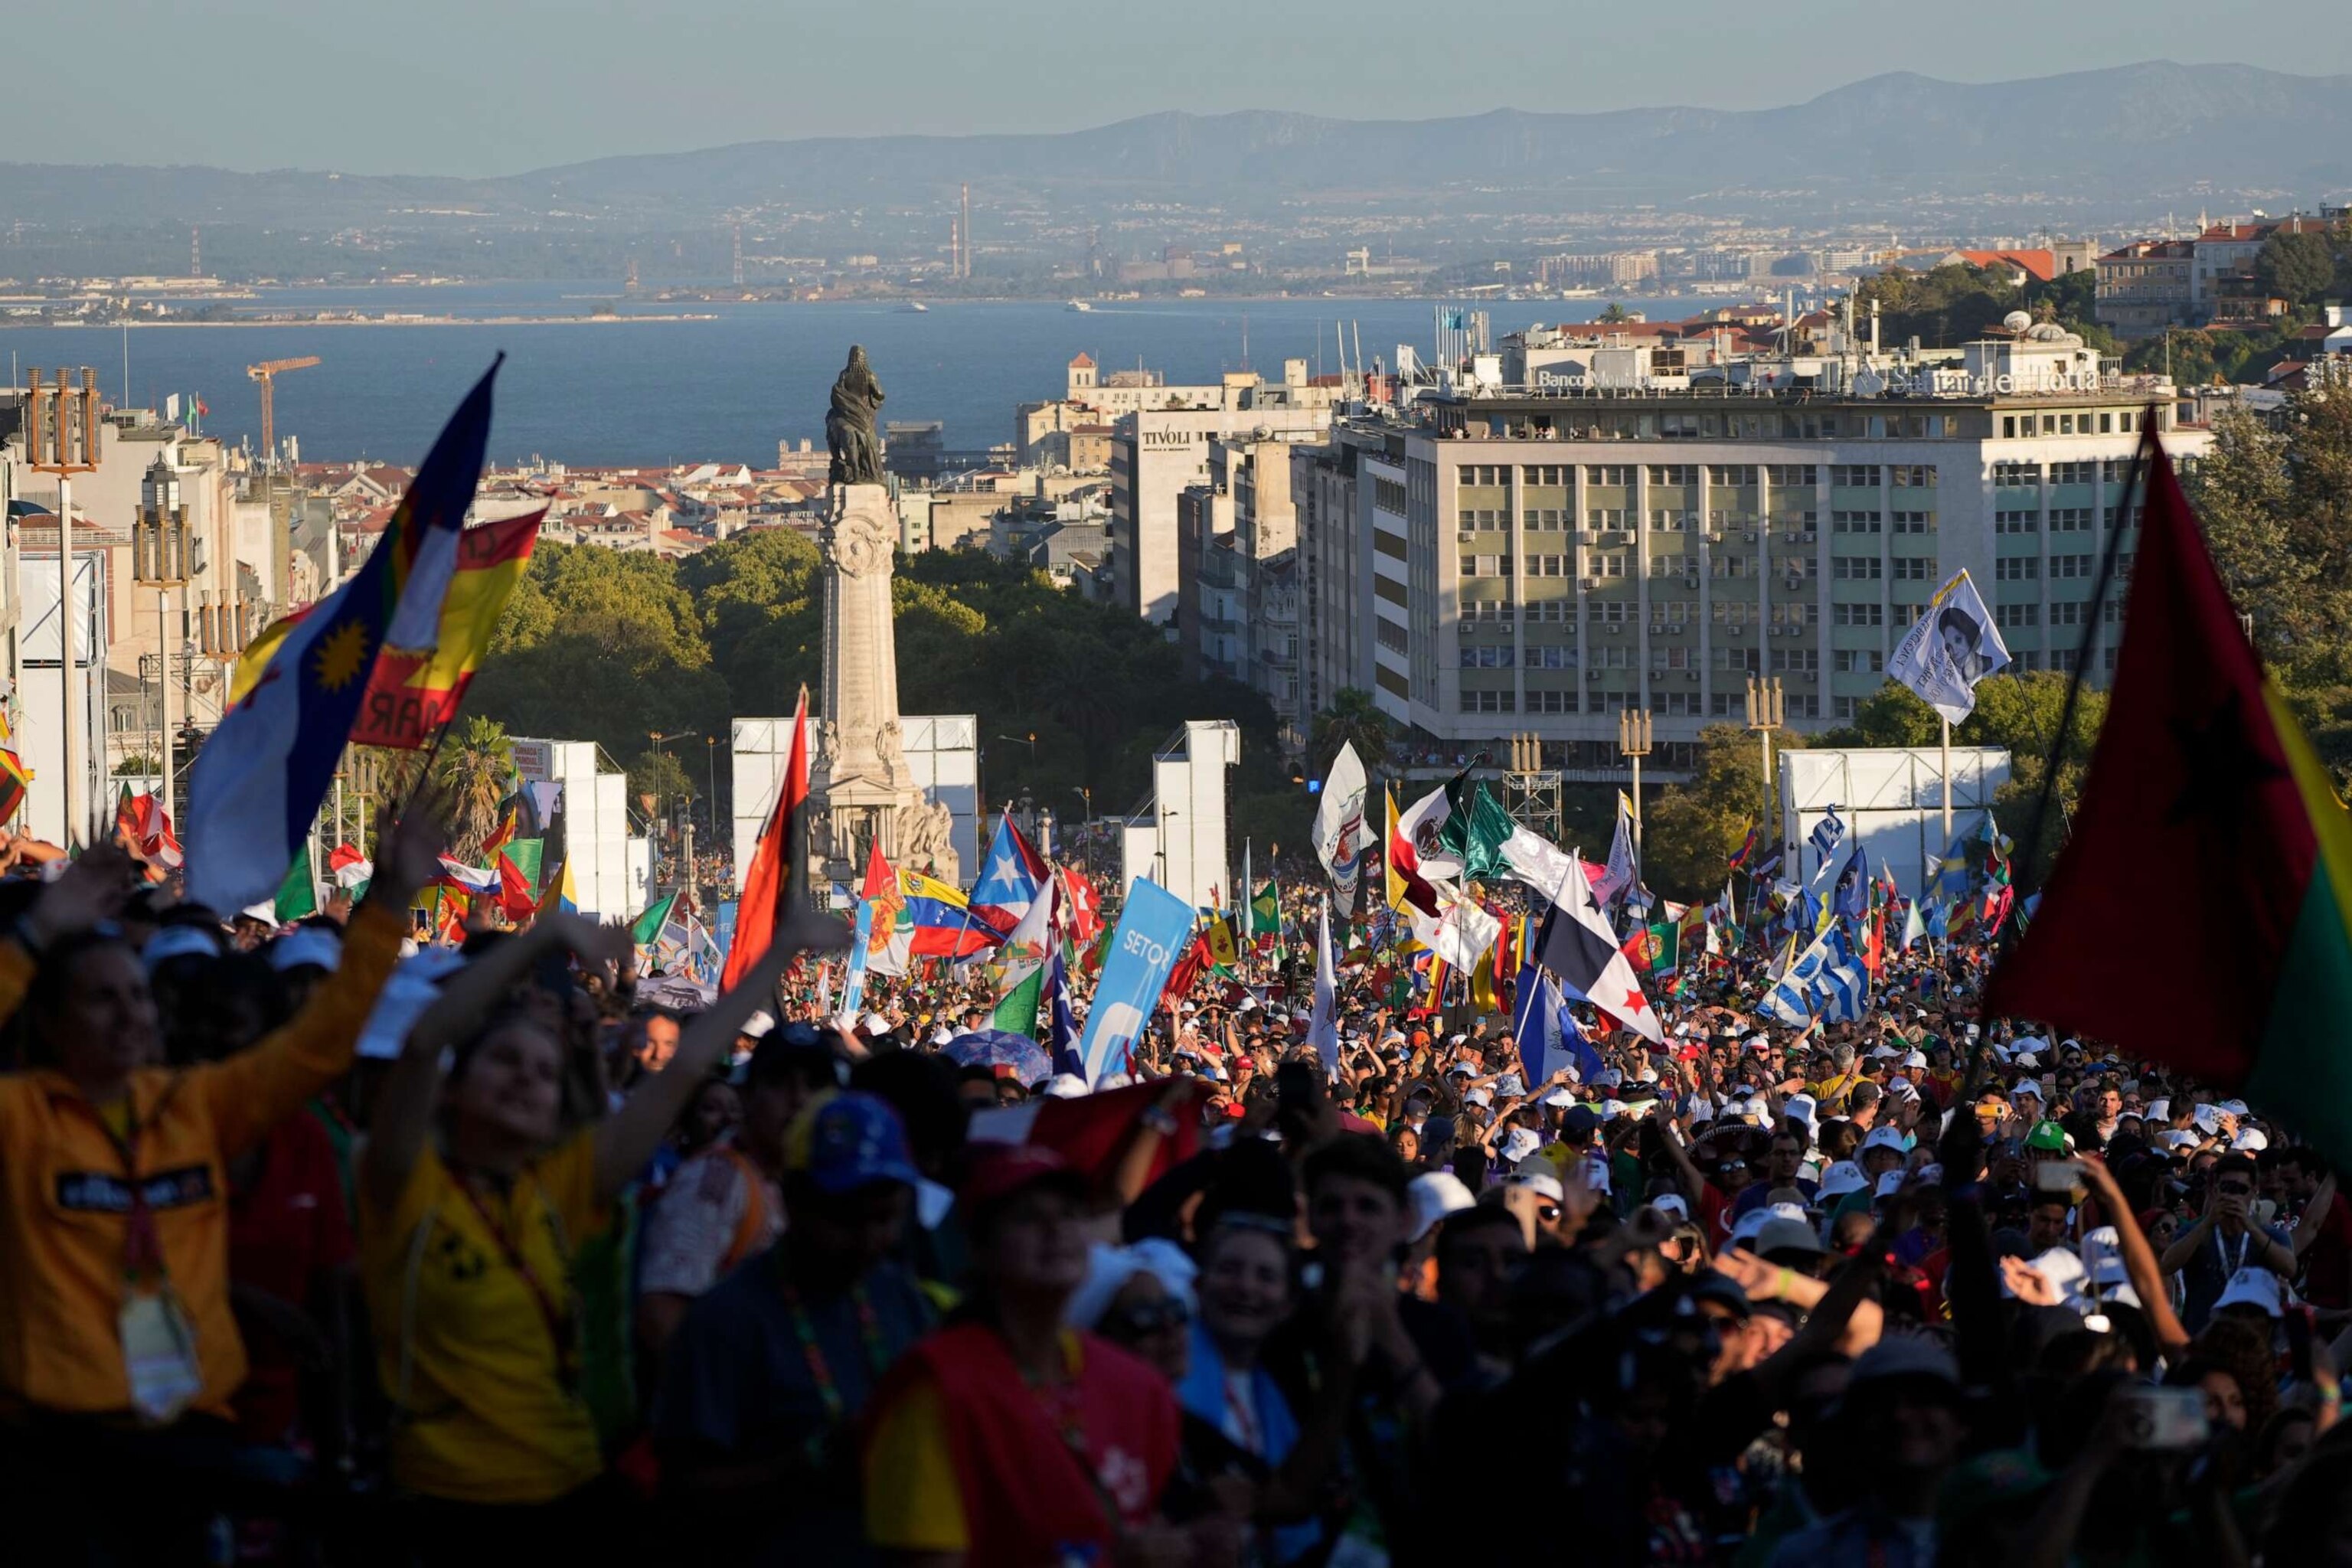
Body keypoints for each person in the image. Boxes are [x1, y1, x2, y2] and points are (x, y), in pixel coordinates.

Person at [0, 822, 432, 1563]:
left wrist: (390, 899)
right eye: (101, 998)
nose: (130, 1013)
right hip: (58, 1455)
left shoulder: (195, 1107)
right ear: (49, 1018)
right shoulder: (19, 1119)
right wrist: (40, 929)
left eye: (136, 996)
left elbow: (320, 1041)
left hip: (195, 1448)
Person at [358, 906, 799, 1560]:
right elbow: (425, 1044)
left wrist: (780, 951)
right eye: (504, 1060)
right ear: (454, 1089)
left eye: (543, 1073)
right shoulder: (404, 1184)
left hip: (571, 1494)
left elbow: (682, 1073)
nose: (525, 1080)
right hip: (444, 1506)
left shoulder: (560, 1189)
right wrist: (542, 940)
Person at [861, 1142, 1184, 1564]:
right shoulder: (937, 1390)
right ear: (980, 1250)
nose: (1056, 1230)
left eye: (1069, 1214)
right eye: (1028, 1217)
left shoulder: (1137, 1387)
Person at [654, 1091, 936, 1564]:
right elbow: (684, 1488)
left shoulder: (898, 1294)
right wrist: (811, 1463)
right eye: (845, 1219)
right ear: (794, 1199)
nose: (868, 1241)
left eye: (885, 1218)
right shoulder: (730, 1318)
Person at [636, 1021, 841, 1361]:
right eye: (780, 1084)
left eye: (815, 1085)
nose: (799, 1099)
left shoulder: (791, 1181)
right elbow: (662, 1317)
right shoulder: (719, 1179)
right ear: (747, 1096)